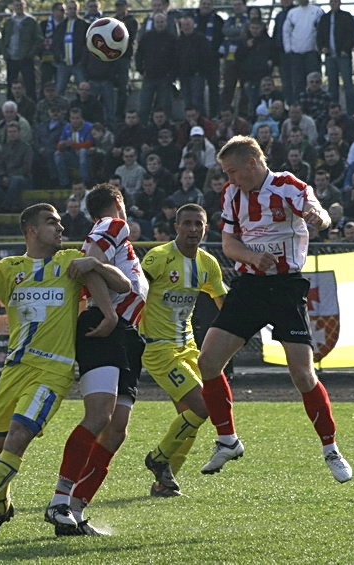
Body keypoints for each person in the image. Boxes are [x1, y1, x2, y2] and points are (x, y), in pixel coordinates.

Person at [0, 205, 129, 537]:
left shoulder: (70, 262)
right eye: (52, 223)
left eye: (60, 223)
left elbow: (121, 284)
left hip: (52, 371)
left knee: (19, 437)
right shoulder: (9, 268)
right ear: (31, 230)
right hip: (14, 371)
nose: (60, 228)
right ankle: (2, 508)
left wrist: (95, 265)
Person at [197, 135, 353, 482]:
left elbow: (321, 213)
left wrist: (317, 216)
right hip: (249, 287)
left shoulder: (286, 185)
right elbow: (228, 243)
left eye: (233, 171)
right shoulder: (232, 194)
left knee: (302, 374)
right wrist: (253, 257)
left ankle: (331, 448)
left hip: (285, 289)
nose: (230, 178)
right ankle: (227, 440)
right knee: (207, 361)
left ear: (252, 163)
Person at [45, 184, 148, 536]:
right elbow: (88, 263)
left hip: (127, 336)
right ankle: (59, 500)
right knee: (99, 416)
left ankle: (74, 511)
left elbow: (96, 264)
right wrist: (108, 314)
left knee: (116, 429)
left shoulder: (119, 240)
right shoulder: (112, 225)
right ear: (118, 202)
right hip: (107, 328)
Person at [138, 203, 226, 496]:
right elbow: (136, 294)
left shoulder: (207, 263)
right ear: (176, 227)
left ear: (205, 228)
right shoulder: (159, 257)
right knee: (202, 407)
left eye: (197, 224)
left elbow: (222, 301)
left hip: (188, 347)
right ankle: (158, 458)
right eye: (186, 223)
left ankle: (164, 482)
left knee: (190, 417)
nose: (192, 229)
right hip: (158, 350)